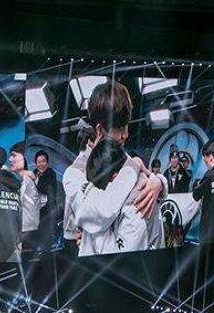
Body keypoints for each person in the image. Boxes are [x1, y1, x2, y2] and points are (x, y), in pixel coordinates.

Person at [62, 80, 167, 256]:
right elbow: (101, 212)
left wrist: (159, 182)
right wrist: (133, 167)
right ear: (99, 130)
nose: (126, 134)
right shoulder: (74, 174)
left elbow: (152, 183)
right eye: (119, 128)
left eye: (127, 125)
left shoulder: (124, 159)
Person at [78, 139, 154, 256]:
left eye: (101, 188)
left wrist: (92, 232)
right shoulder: (129, 197)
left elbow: (119, 261)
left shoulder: (136, 209)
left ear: (116, 178)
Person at [61, 127, 97, 257]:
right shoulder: (78, 169)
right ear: (90, 142)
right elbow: (83, 207)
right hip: (77, 238)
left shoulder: (88, 166)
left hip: (83, 236)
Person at [9, 141, 40, 253]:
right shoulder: (25, 180)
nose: (10, 159)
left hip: (28, 235)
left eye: (14, 155)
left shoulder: (29, 181)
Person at [33, 149, 58, 252]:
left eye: (43, 161)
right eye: (39, 162)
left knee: (46, 240)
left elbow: (46, 188)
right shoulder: (34, 173)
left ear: (47, 162)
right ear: (36, 163)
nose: (41, 164)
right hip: (36, 211)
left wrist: (35, 186)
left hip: (48, 211)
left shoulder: (51, 173)